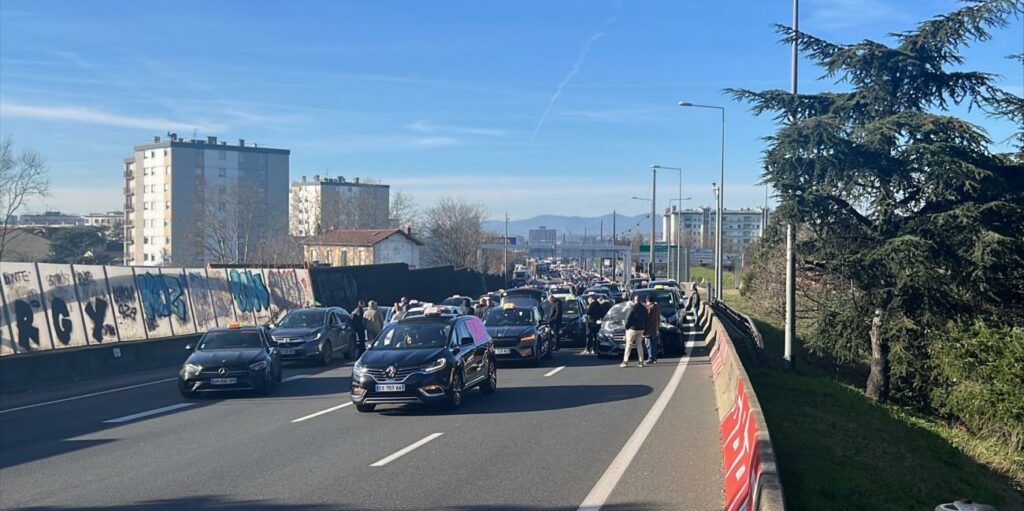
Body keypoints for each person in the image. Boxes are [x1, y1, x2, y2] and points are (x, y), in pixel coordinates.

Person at [621, 294, 647, 367]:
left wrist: (626, 327)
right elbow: (646, 319)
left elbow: (628, 318)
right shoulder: (644, 309)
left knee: (628, 345)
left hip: (632, 329)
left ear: (634, 300)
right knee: (639, 345)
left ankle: (625, 361)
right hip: (641, 329)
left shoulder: (632, 308)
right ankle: (641, 361)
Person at [643, 295, 661, 365]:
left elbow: (647, 318)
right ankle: (654, 358)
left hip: (649, 329)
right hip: (655, 328)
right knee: (654, 344)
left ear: (647, 301)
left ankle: (650, 358)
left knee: (648, 344)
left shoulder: (649, 308)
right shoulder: (657, 307)